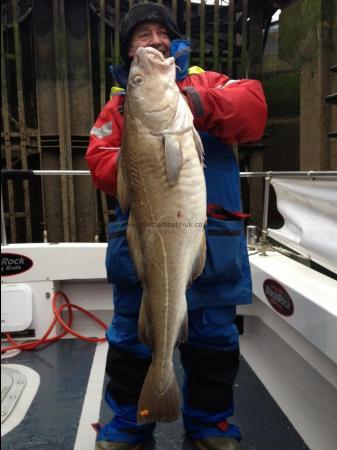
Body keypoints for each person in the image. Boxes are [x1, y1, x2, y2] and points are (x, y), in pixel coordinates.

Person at [86, 3, 267, 450]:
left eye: (159, 31)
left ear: (174, 41)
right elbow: (98, 160)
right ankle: (131, 420)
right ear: (128, 50)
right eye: (140, 35)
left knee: (212, 341)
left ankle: (211, 423)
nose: (153, 40)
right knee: (132, 337)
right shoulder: (118, 108)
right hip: (145, 244)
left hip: (211, 244)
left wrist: (198, 103)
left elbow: (253, 109)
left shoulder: (208, 83)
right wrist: (138, 152)